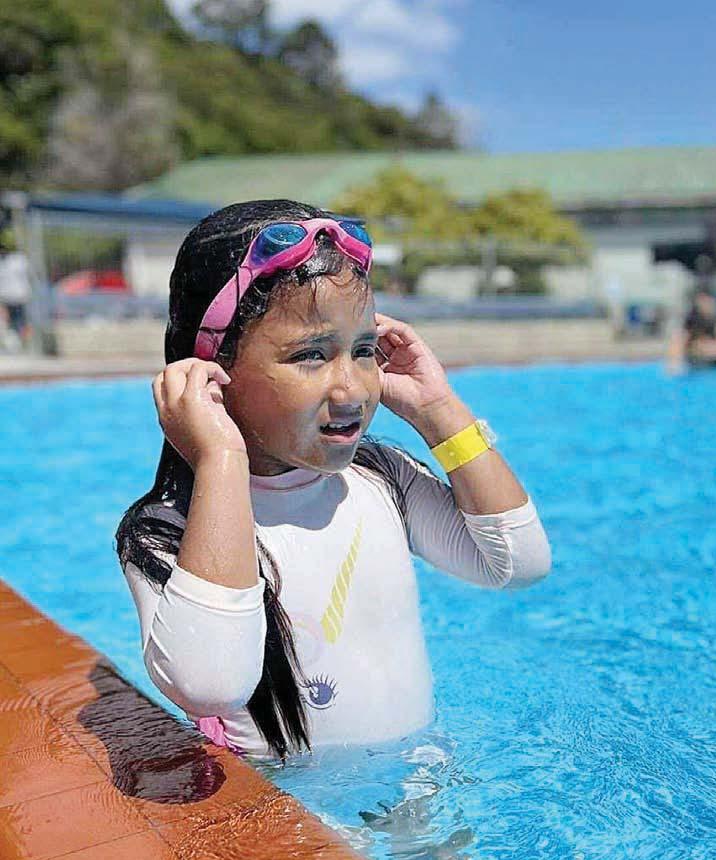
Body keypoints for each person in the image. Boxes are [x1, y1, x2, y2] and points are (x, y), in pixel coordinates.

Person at [115, 200, 551, 763]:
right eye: (311, 355)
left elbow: (517, 563)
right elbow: (211, 684)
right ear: (211, 370)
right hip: (291, 805)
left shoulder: (380, 480)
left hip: (416, 782)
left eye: (364, 350)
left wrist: (438, 410)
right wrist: (221, 457)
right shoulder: (165, 531)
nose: (352, 389)